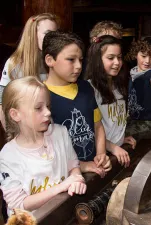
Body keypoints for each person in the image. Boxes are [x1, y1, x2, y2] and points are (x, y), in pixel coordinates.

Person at [0, 77, 87, 216]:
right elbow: (19, 204)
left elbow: (73, 166)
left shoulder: (61, 133)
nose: (48, 112)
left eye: (48, 106)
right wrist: (61, 187)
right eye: (38, 108)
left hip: (63, 214)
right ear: (15, 114)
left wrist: (77, 180)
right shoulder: (8, 156)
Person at [42, 30, 111, 176]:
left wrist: (101, 153)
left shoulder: (86, 87)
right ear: (50, 60)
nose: (79, 66)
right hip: (64, 175)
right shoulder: (40, 96)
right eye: (71, 60)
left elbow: (97, 126)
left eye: (81, 59)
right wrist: (81, 165)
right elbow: (42, 147)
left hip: (94, 167)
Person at [85, 35, 136, 168]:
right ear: (97, 60)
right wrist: (112, 146)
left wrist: (119, 139)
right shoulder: (89, 89)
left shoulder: (119, 85)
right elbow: (90, 129)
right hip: (101, 155)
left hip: (115, 150)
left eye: (119, 57)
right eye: (110, 58)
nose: (117, 62)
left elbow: (112, 120)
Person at [0, 13, 59, 127]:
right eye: (47, 34)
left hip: (55, 129)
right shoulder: (14, 64)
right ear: (33, 35)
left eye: (55, 34)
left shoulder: (59, 60)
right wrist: (11, 134)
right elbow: (2, 102)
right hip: (27, 130)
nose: (53, 39)